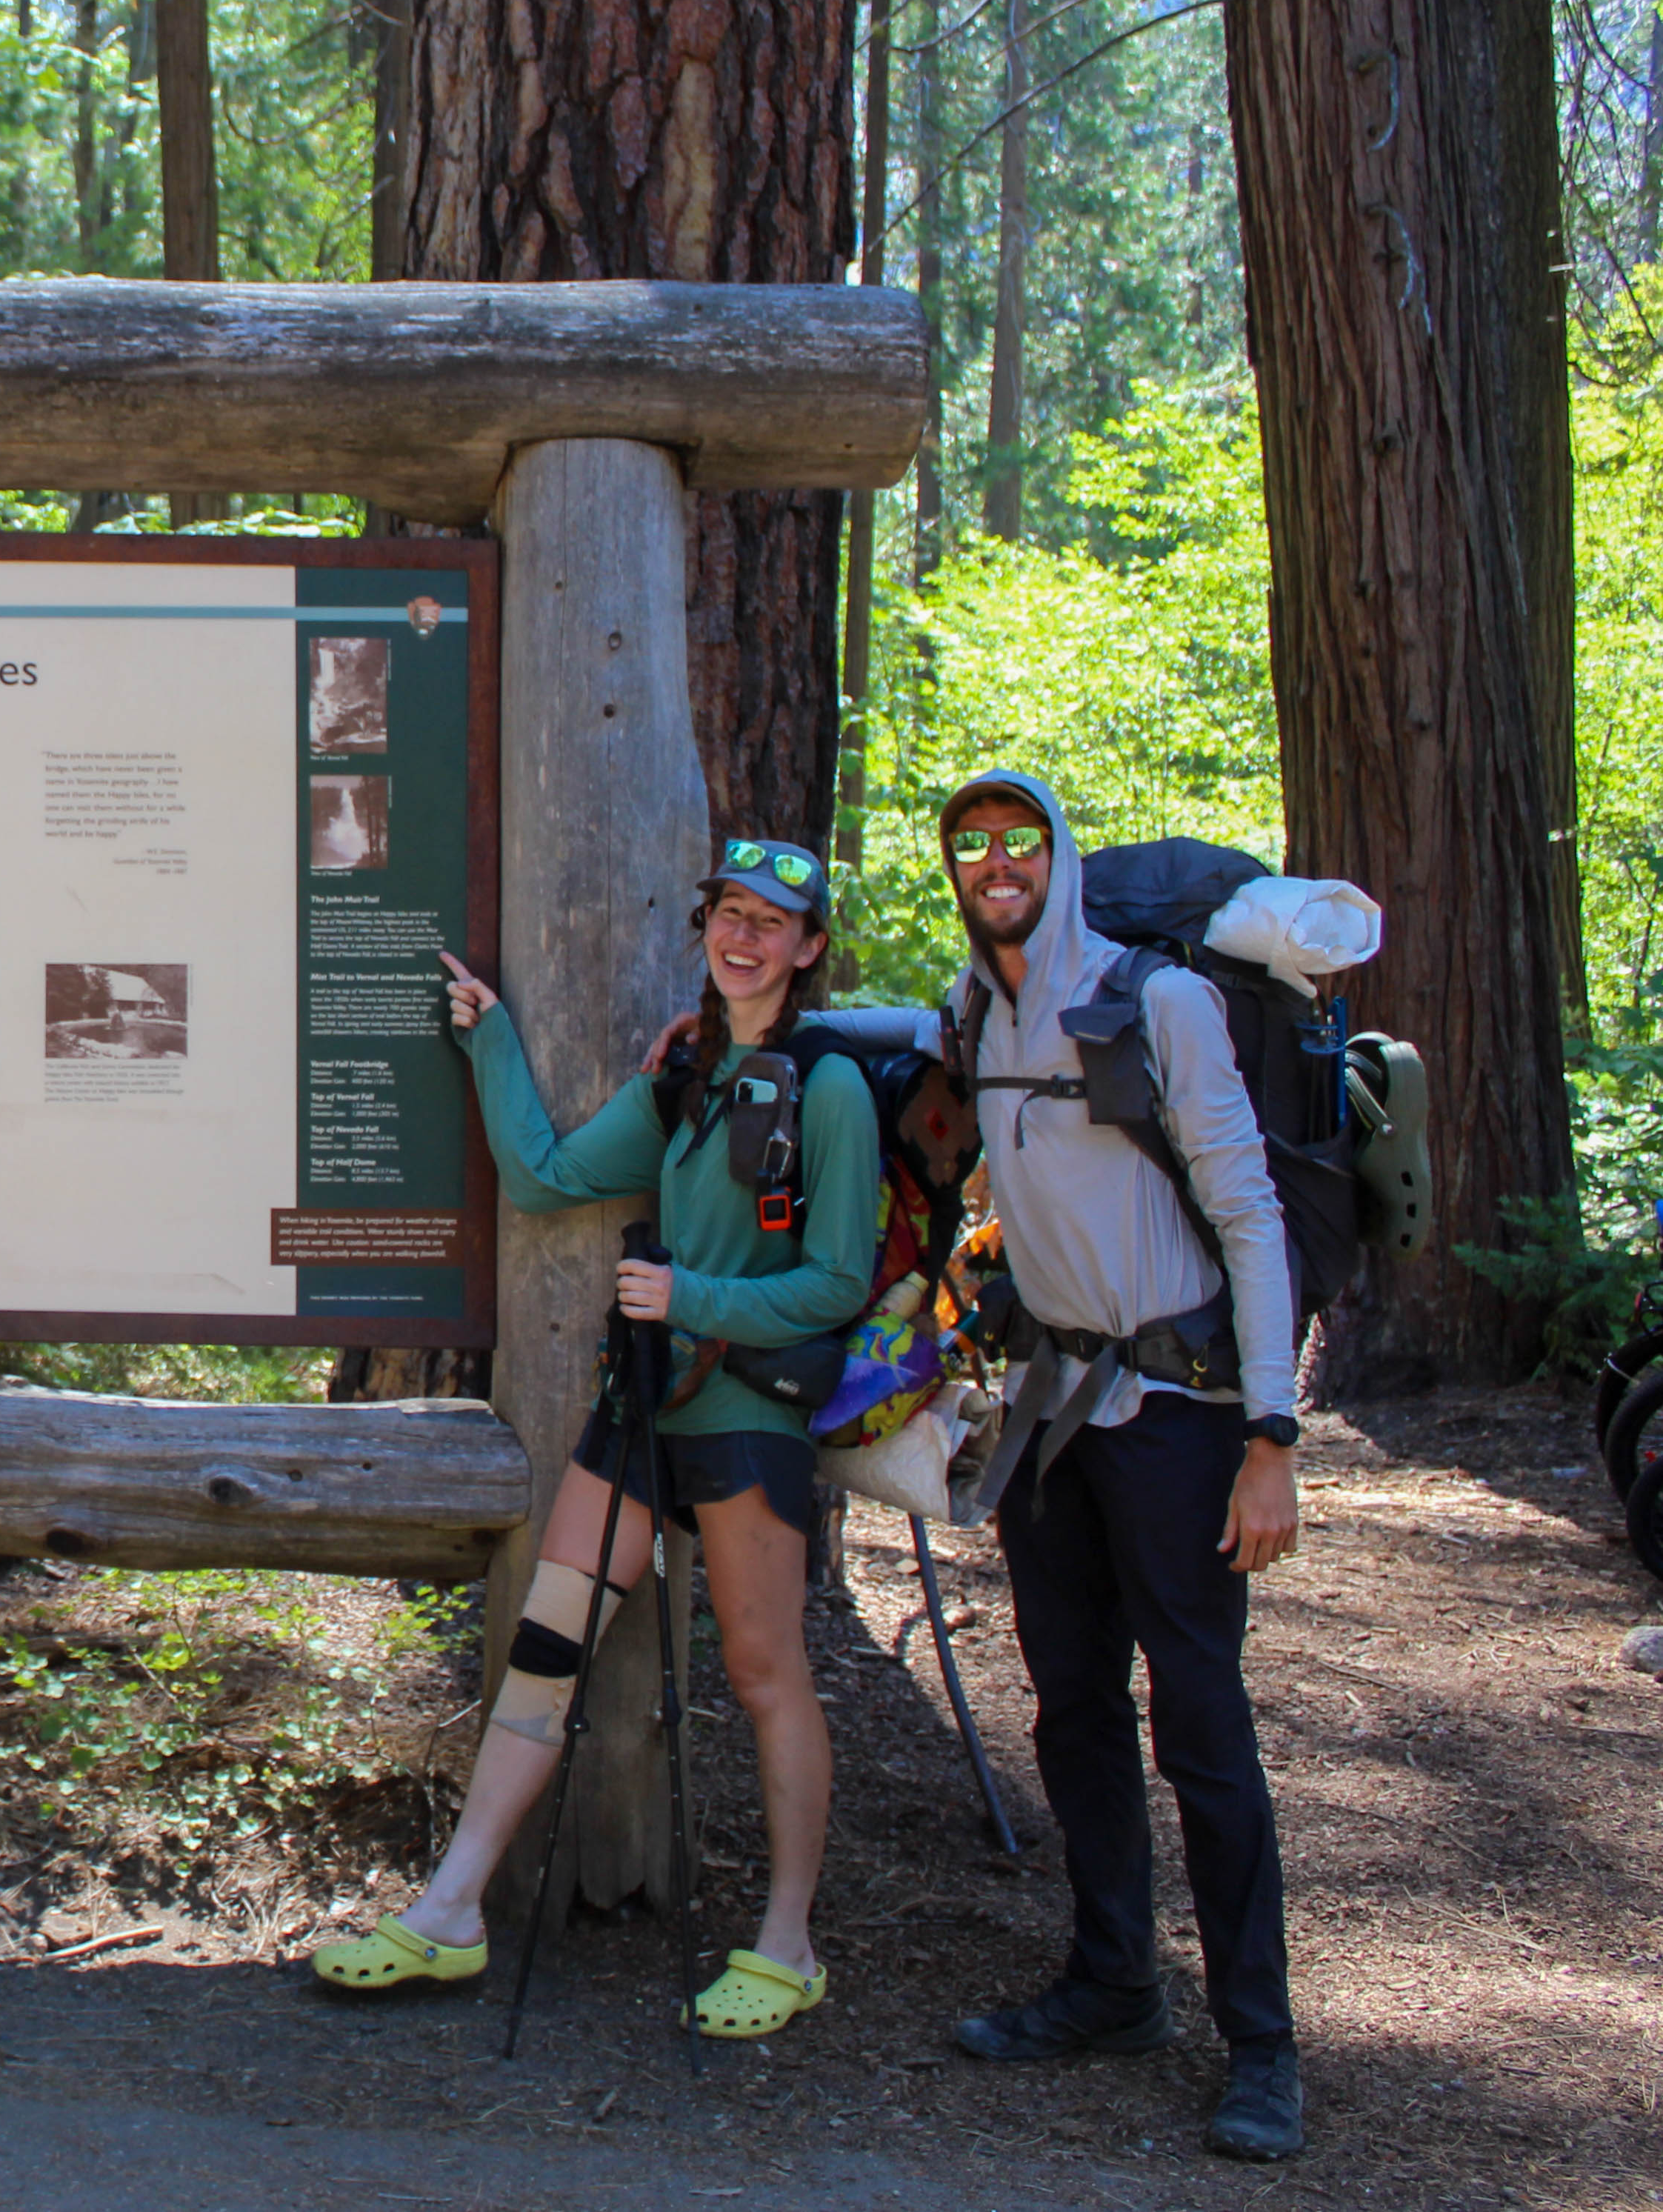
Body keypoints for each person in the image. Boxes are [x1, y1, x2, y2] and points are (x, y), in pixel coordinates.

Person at [309, 838, 879, 2040]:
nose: (745, 936)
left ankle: (787, 1945)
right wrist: (489, 1037)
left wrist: (696, 1305)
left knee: (769, 1673)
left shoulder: (828, 1090)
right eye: (729, 913)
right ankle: (453, 1908)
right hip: (642, 1411)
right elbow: (551, 1175)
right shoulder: (687, 1069)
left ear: (810, 947)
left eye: (773, 922)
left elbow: (838, 1281)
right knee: (544, 1652)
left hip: (745, 1422)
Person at [913, 772, 1305, 2162]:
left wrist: (1273, 1436)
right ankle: (1114, 1982)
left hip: (1183, 1416)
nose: (997, 862)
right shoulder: (978, 1009)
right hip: (1050, 1408)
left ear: (1058, 856)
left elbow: (1253, 1216)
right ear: (954, 868)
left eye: (1020, 841)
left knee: (1201, 1721)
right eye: (973, 845)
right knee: (1073, 1708)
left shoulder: (1162, 1002)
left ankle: (1260, 2045)